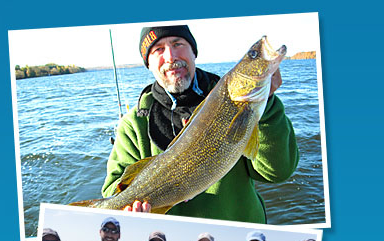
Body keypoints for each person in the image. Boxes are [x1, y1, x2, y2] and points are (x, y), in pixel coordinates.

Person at [102, 25, 299, 222]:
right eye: (158, 50)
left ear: (193, 52)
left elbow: (278, 172)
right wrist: (129, 213)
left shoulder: (230, 99)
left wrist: (267, 105)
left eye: (178, 44)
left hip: (244, 236)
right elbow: (113, 191)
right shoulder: (134, 124)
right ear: (148, 63)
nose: (170, 56)